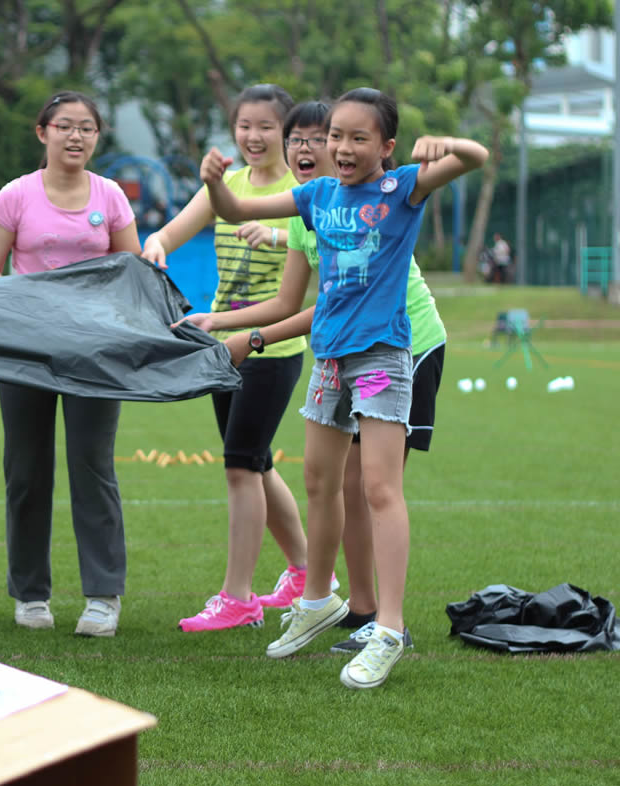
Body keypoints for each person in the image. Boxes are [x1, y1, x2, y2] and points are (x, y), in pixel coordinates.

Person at [201, 87, 487, 688]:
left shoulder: (401, 189)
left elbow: (475, 158)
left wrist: (448, 145)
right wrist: (216, 182)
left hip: (381, 355)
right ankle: (317, 601)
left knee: (378, 489)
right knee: (317, 482)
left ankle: (388, 628)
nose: (343, 147)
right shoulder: (316, 196)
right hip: (329, 357)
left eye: (360, 138)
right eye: (336, 136)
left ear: (386, 147)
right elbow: (235, 210)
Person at [143, 85, 314, 633]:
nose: (253, 136)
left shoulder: (303, 192)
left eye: (266, 126)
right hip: (222, 349)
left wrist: (277, 235)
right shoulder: (229, 186)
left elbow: (304, 268)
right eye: (244, 125)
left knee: (241, 464)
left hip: (272, 346)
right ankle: (307, 574)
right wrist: (156, 244)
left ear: (287, 134)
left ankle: (238, 598)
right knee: (256, 462)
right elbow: (173, 230)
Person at [0, 90, 139, 637]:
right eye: (65, 125)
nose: (76, 136)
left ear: (97, 137)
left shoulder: (110, 195)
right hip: (27, 350)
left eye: (86, 127)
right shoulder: (16, 195)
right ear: (42, 132)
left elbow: (131, 271)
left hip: (96, 351)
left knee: (94, 467)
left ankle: (103, 596)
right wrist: (26, 303)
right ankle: (30, 594)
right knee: (26, 470)